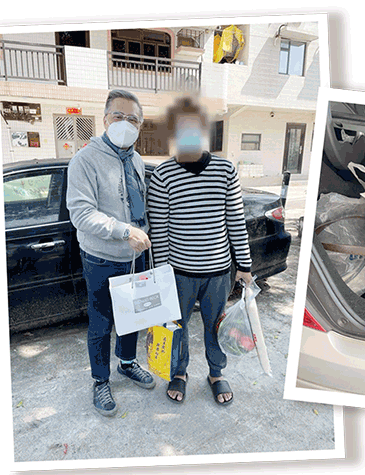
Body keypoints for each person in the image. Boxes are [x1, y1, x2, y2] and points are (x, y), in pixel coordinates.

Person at [147, 96, 253, 405]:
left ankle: (216, 373)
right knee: (176, 326)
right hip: (179, 273)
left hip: (218, 272)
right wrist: (162, 274)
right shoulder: (163, 176)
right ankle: (179, 372)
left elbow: (236, 221)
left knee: (215, 326)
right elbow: (161, 230)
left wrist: (244, 266)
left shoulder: (225, 171)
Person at [66, 89, 156, 417]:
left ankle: (128, 364)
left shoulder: (136, 160)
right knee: (101, 323)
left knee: (133, 318)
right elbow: (81, 213)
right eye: (118, 116)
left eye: (133, 118)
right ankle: (101, 379)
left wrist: (143, 233)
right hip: (101, 258)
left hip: (135, 257)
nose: (125, 123)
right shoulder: (85, 160)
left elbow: (140, 207)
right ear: (105, 120)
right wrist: (124, 231)